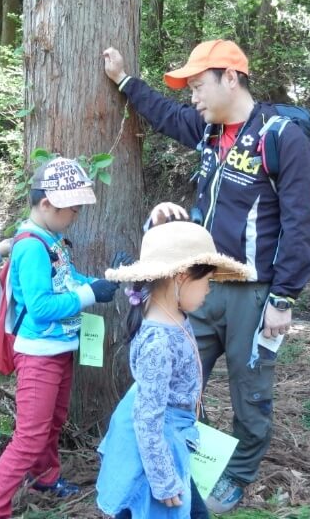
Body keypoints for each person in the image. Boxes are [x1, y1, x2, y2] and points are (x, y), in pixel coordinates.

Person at [103, 40, 310, 513]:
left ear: (231, 77)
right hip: (198, 286)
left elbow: (302, 223)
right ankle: (172, 463)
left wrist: (283, 299)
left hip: (255, 295)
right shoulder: (208, 130)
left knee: (252, 389)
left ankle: (237, 476)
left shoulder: (281, 136)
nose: (194, 98)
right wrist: (123, 80)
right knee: (174, 379)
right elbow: (162, 113)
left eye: (199, 86)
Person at [0, 157, 120, 519]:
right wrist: (89, 296)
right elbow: (40, 307)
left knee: (52, 424)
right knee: (29, 437)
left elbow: (68, 281)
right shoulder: (31, 246)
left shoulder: (52, 239)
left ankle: (45, 478)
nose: (76, 215)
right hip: (39, 354)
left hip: (59, 350)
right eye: (71, 209)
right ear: (45, 205)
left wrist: (105, 281)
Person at [96, 221, 250, 519]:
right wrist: (163, 481)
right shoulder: (159, 342)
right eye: (206, 281)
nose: (208, 290)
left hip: (171, 439)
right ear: (181, 277)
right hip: (155, 450)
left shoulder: (173, 313)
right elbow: (147, 418)